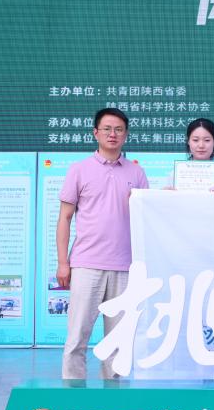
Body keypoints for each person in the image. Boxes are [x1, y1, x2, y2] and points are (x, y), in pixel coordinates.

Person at [57, 107, 149, 380]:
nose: (113, 134)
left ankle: (114, 397)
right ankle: (73, 395)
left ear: (126, 135)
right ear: (95, 133)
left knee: (118, 342)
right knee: (77, 338)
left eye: (119, 129)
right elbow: (64, 218)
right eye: (107, 129)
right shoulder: (79, 170)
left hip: (125, 266)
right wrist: (63, 263)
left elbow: (145, 217)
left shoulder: (136, 172)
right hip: (86, 264)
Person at [168, 118, 214, 192]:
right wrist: (165, 194)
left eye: (207, 140)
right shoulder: (175, 175)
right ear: (188, 141)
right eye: (195, 140)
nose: (201, 145)